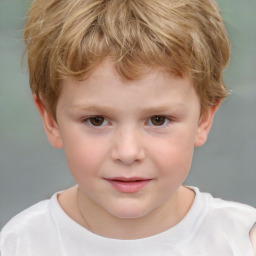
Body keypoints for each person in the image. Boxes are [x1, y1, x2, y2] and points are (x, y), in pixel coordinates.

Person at [0, 0, 255, 255]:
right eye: (96, 120)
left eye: (158, 120)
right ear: (50, 119)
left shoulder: (242, 242)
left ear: (203, 119)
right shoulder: (20, 245)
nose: (128, 152)